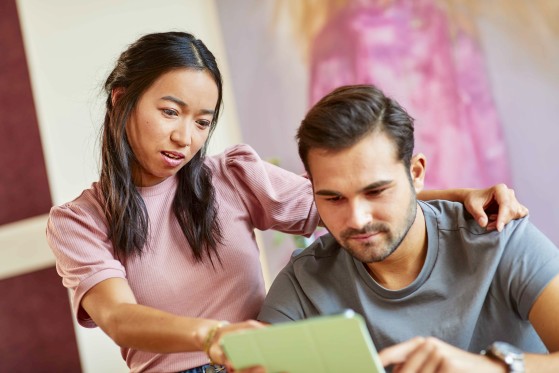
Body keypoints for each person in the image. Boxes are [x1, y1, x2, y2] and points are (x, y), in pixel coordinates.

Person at [46, 32, 526, 373]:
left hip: (270, 363)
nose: (184, 136)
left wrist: (461, 195)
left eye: (201, 121)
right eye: (170, 112)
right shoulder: (79, 222)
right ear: (121, 99)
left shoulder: (230, 176)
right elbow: (118, 317)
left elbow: (343, 202)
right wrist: (212, 338)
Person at [258, 84, 559, 372]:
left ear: (415, 173)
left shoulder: (500, 238)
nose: (358, 219)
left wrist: (492, 367)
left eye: (376, 192)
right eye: (334, 198)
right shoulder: (302, 286)